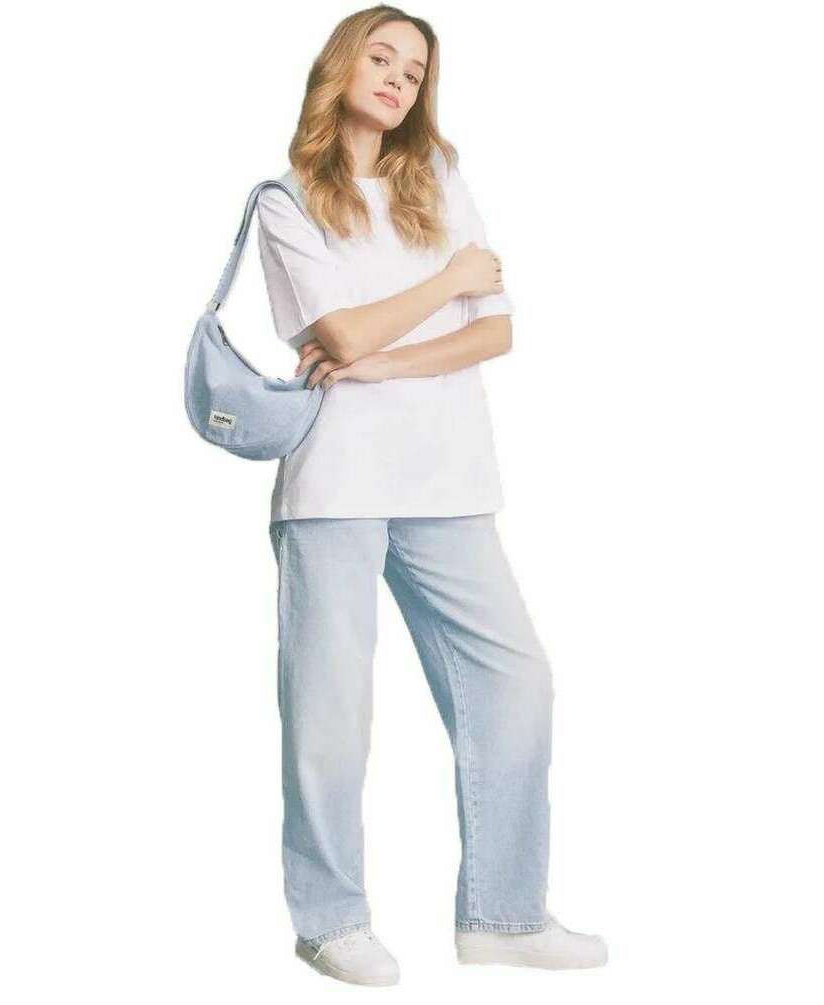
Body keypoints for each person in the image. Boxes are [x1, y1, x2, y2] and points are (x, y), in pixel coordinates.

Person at [254, 6, 607, 986]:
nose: (397, 79)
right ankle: (330, 920)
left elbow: (494, 331)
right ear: (340, 66)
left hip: (447, 476)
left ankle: (504, 913)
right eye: (381, 57)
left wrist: (380, 358)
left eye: (413, 71)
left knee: (516, 679)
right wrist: (447, 280)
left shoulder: (439, 182)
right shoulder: (286, 201)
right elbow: (342, 332)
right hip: (334, 483)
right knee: (329, 710)